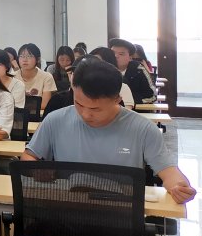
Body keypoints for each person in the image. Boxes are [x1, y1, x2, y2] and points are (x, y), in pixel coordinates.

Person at [23, 59, 196, 205]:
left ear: (117, 100)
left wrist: (179, 187)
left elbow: (169, 172)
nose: (85, 114)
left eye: (96, 109)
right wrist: (37, 169)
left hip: (120, 214)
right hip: (67, 207)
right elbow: (28, 156)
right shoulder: (56, 120)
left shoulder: (143, 129)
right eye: (79, 104)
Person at [109, 38, 156, 104]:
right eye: (112, 53)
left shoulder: (138, 70)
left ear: (130, 58)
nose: (116, 56)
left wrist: (128, 101)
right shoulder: (103, 69)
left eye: (121, 54)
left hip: (134, 107)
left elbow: (151, 96)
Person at [17, 43, 55, 110]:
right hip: (16, 115)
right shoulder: (12, 76)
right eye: (21, 56)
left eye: (29, 56)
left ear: (38, 59)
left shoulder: (46, 77)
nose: (25, 59)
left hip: (38, 114)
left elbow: (44, 104)